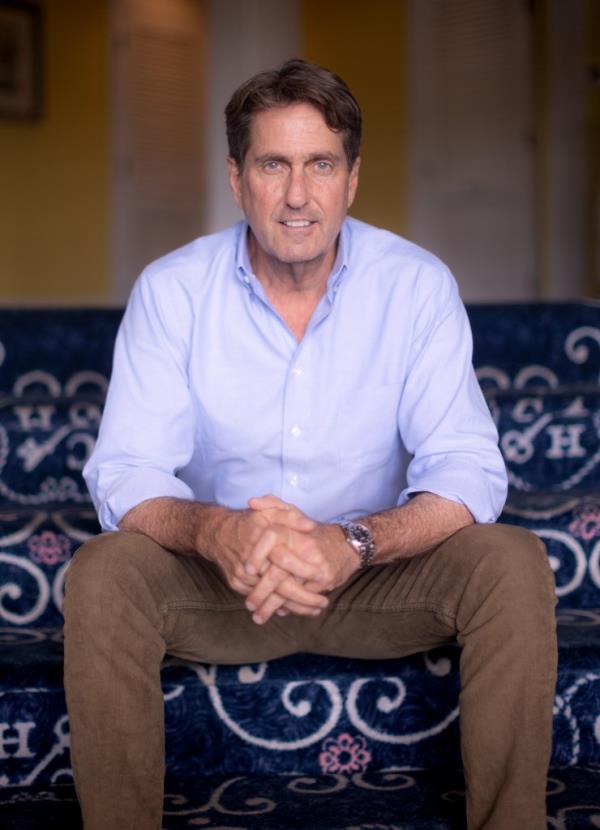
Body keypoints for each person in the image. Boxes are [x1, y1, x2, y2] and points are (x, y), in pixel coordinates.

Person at [63, 58, 558, 830]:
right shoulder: (173, 290)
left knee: (512, 560)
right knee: (103, 571)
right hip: (221, 582)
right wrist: (216, 530)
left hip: (376, 579)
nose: (298, 195)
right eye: (273, 165)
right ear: (236, 178)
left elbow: (468, 468)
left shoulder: (415, 286)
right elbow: (125, 471)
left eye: (320, 164)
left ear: (352, 178)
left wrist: (353, 542)